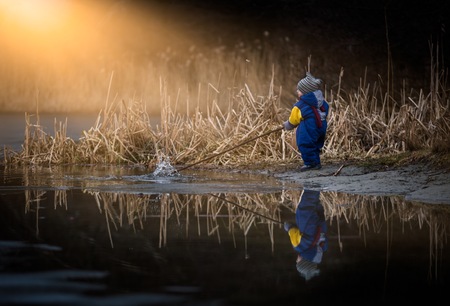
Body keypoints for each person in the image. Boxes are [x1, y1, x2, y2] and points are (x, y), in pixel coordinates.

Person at [283, 72, 329, 171]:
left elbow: (293, 119)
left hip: (309, 128)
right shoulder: (321, 101)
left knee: (305, 144)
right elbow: (326, 109)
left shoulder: (300, 105)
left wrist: (287, 125)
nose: (297, 91)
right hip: (321, 126)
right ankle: (316, 162)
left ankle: (310, 164)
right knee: (316, 145)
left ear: (306, 91)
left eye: (299, 90)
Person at [284, 189, 328, 281]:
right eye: (298, 262)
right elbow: (293, 232)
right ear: (304, 261)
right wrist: (288, 227)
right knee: (307, 202)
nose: (296, 260)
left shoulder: (322, 248)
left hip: (319, 219)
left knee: (314, 201)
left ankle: (316, 187)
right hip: (306, 219)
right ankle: (312, 184)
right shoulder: (299, 247)